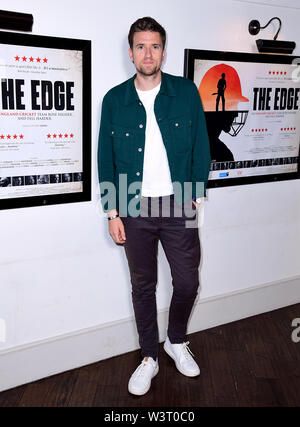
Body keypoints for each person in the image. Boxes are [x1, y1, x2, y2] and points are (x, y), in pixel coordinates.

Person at [98, 17, 211, 396]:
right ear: (131, 53)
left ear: (164, 51)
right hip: (131, 203)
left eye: (155, 46)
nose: (148, 53)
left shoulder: (186, 92)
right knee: (143, 286)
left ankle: (176, 340)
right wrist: (113, 212)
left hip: (181, 202)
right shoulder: (114, 99)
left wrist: (194, 196)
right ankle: (149, 356)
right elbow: (105, 158)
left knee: (188, 281)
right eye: (141, 46)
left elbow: (201, 146)